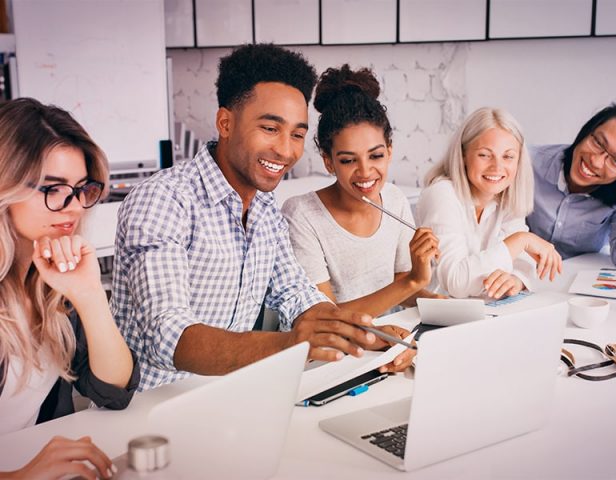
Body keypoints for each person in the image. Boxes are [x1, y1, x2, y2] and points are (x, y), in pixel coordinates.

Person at [110, 44, 399, 392]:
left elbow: (297, 296)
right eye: (270, 128)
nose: (286, 150)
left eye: (297, 134)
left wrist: (365, 333)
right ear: (225, 122)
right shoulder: (164, 200)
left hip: (230, 399)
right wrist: (292, 344)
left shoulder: (265, 210)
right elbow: (167, 335)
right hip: (148, 411)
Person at [0, 98, 139, 479]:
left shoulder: (49, 282)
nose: (74, 207)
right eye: (53, 188)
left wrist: (90, 295)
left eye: (81, 189)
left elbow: (114, 391)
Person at [281, 65, 439, 370]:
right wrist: (413, 282)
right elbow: (324, 318)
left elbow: (399, 281)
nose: (366, 172)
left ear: (390, 151)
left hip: (390, 343)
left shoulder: (393, 199)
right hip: (330, 358)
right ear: (328, 161)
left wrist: (433, 301)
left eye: (376, 156)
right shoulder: (301, 214)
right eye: (348, 160)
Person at [416, 107, 562, 299]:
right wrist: (521, 240)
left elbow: (522, 263)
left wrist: (515, 279)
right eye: (485, 155)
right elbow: (456, 283)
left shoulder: (504, 194)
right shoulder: (442, 194)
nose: (497, 167)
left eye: (508, 156)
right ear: (463, 156)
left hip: (482, 311)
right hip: (434, 314)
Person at [526, 101, 616, 271]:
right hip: (514, 274)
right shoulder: (527, 162)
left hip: (571, 288)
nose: (595, 161)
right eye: (599, 143)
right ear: (587, 131)